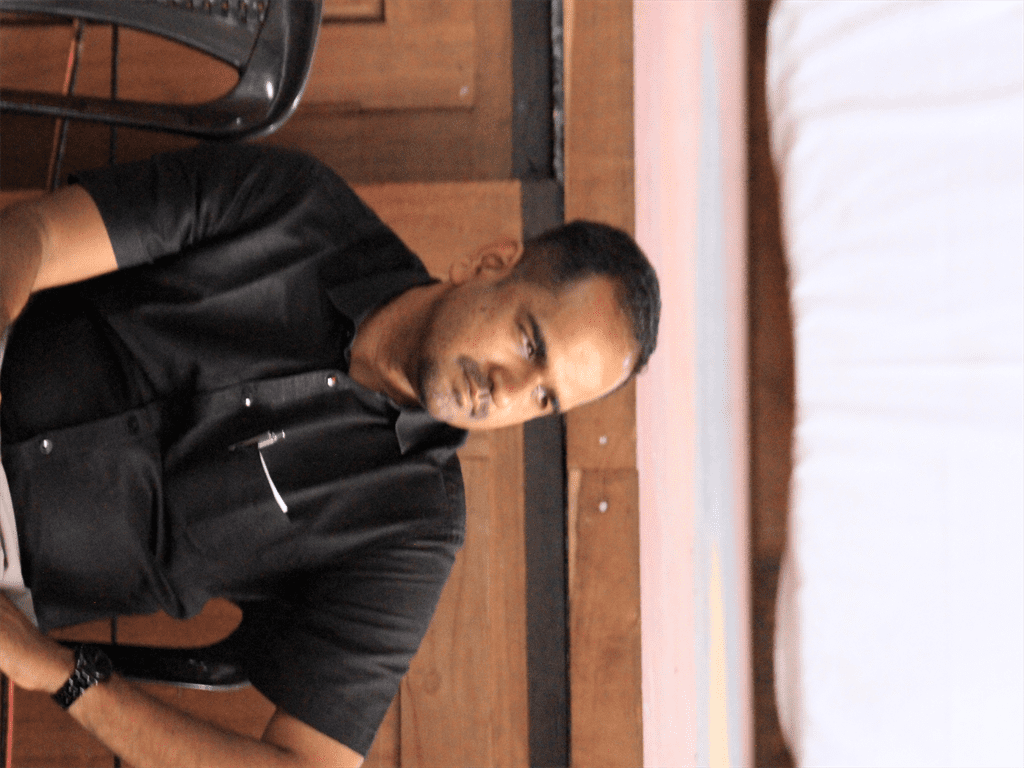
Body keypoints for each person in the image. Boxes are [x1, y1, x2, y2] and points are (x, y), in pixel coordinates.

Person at [0, 143, 660, 767]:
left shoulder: (413, 528)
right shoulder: (294, 205)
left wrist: (58, 673)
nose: (507, 392)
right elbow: (38, 234)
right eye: (529, 344)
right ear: (489, 263)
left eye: (544, 399)